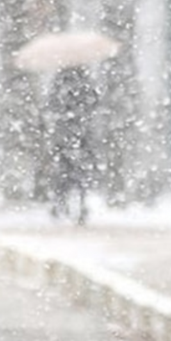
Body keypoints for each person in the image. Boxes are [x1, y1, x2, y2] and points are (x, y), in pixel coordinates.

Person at [44, 65, 99, 225]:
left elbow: (52, 104)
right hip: (78, 134)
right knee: (76, 173)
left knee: (64, 172)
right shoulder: (84, 80)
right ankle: (76, 206)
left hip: (68, 134)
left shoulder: (61, 81)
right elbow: (94, 102)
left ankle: (62, 204)